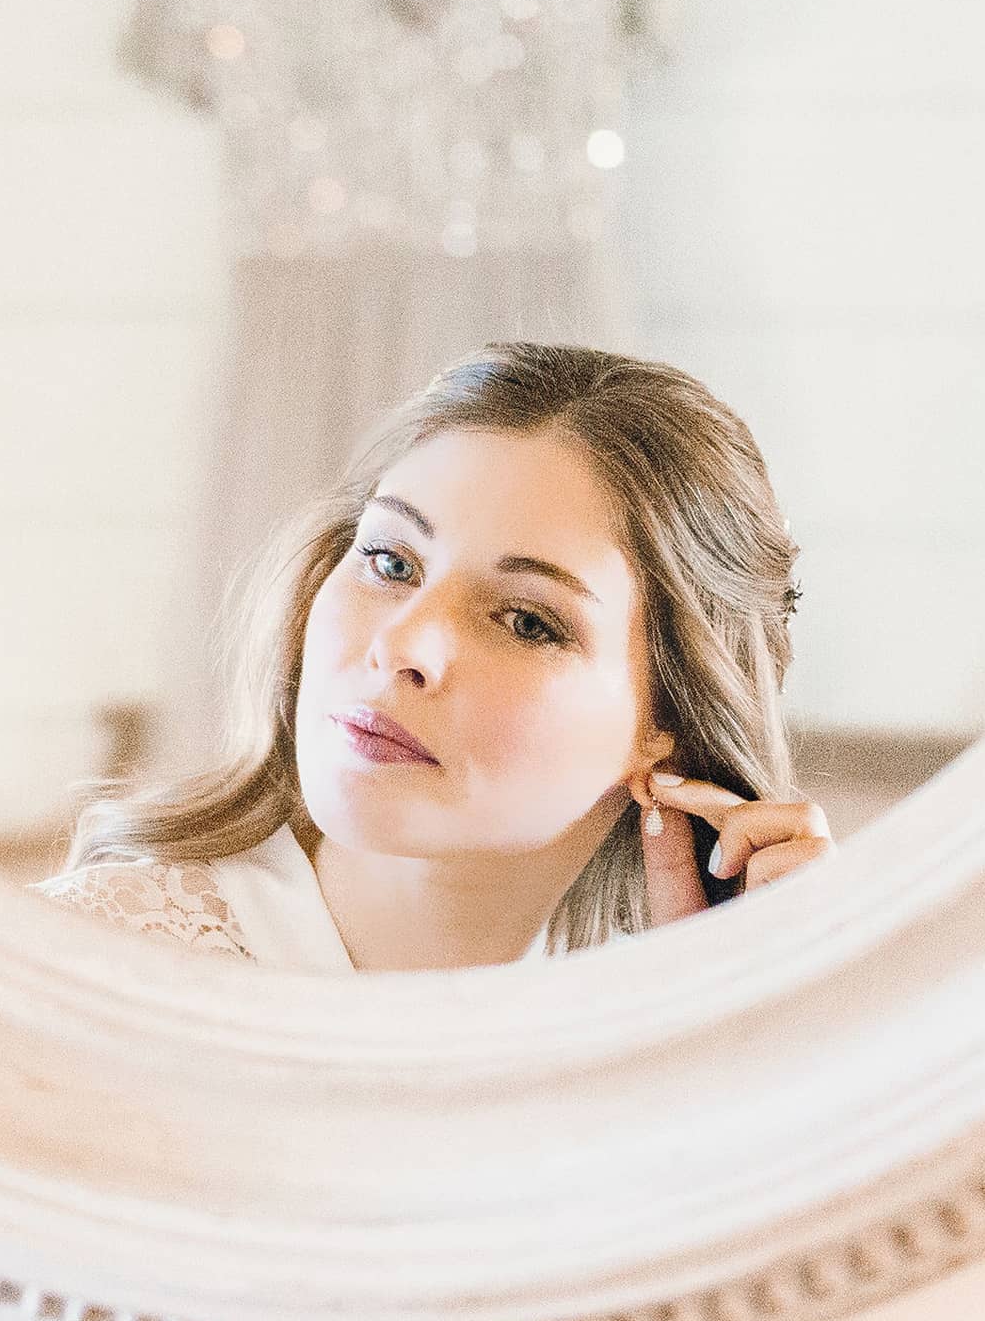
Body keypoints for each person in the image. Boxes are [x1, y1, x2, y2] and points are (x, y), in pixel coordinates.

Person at [44, 343, 830, 970]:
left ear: (664, 724)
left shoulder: (656, 1022)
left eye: (526, 621)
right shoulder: (95, 968)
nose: (401, 645)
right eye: (390, 562)